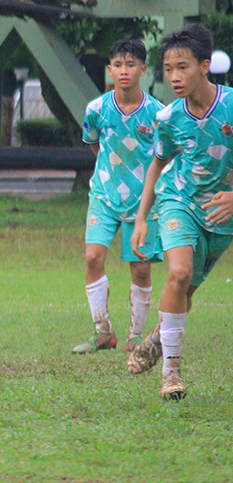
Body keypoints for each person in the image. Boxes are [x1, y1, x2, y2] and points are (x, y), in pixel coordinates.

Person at [130, 24, 233, 400]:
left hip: (222, 215)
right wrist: (142, 218)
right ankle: (171, 376)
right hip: (178, 201)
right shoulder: (168, 117)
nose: (174, 77)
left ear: (205, 65)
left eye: (183, 67)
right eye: (168, 68)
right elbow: (157, 163)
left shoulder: (231, 106)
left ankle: (158, 337)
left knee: (185, 292)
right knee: (178, 273)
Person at [73, 40, 163, 355]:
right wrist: (110, 175)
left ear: (143, 69)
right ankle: (103, 332)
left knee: (139, 267)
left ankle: (135, 335)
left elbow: (164, 157)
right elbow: (94, 145)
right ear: (110, 69)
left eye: (130, 65)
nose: (124, 71)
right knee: (92, 258)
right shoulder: (95, 109)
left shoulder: (158, 113)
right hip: (104, 196)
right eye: (118, 65)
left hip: (144, 202)